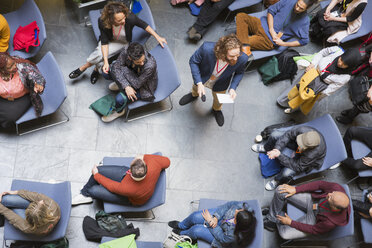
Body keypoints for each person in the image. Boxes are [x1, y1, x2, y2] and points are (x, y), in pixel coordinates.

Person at [68, 1, 166, 84]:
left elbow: (145, 25)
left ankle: (85, 67)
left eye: (124, 17)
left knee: (99, 54)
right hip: (108, 40)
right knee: (100, 54)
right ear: (111, 19)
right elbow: (104, 42)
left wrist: (158, 37)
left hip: (122, 42)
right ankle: (95, 69)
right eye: (119, 20)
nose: (124, 21)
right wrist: (106, 62)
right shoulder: (102, 21)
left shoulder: (129, 18)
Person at [178, 34, 248, 126]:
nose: (235, 58)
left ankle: (216, 109)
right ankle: (194, 95)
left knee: (219, 100)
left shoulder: (242, 58)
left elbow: (239, 73)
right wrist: (199, 83)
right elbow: (193, 61)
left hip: (221, 83)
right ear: (223, 52)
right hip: (203, 77)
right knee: (196, 89)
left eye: (237, 54)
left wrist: (232, 88)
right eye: (232, 56)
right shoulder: (206, 48)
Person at [277, 46, 362, 115]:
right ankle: (283, 101)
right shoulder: (336, 50)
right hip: (313, 73)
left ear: (350, 66)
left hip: (319, 86)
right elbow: (321, 53)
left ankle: (293, 109)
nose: (340, 63)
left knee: (304, 99)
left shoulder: (346, 76)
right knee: (296, 88)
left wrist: (318, 95)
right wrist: (313, 63)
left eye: (344, 64)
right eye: (341, 59)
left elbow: (332, 88)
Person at [262, 181, 350, 240]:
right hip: (313, 201)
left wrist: (290, 223)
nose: (329, 194)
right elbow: (319, 184)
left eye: (330, 197)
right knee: (280, 190)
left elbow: (313, 229)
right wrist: (296, 189)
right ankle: (273, 218)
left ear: (335, 207)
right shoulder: (336, 188)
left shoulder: (329, 223)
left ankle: (274, 213)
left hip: (315, 218)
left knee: (284, 234)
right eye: (332, 193)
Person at [71, 154, 170, 206]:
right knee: (100, 169)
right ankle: (85, 192)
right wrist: (145, 156)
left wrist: (96, 175)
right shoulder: (153, 163)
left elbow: (112, 186)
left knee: (93, 189)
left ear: (130, 172)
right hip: (127, 181)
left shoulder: (128, 188)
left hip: (130, 199)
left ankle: (86, 194)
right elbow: (167, 161)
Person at [252, 126, 326, 190]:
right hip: (297, 145)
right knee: (275, 134)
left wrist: (279, 155)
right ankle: (266, 148)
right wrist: (277, 149)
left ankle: (277, 181)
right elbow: (288, 135)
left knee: (286, 173)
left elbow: (298, 166)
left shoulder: (312, 154)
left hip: (305, 161)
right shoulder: (303, 130)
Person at [100, 42, 157, 122]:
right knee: (106, 72)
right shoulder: (127, 50)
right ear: (130, 58)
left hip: (143, 87)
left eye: (143, 60)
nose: (142, 63)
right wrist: (126, 86)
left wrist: (122, 69)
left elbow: (137, 84)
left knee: (120, 99)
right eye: (138, 62)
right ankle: (121, 85)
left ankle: (119, 112)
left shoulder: (150, 66)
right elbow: (116, 67)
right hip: (131, 73)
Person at [235, 0, 315, 53]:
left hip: (268, 40)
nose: (297, 8)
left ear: (307, 8)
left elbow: (304, 41)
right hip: (262, 24)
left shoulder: (304, 21)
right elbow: (271, 11)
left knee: (237, 42)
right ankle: (243, 46)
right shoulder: (289, 1)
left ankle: (241, 44)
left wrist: (283, 43)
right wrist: (271, 29)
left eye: (301, 8)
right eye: (297, 5)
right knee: (241, 16)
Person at [168, 201, 256, 247]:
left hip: (221, 238)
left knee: (196, 230)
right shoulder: (244, 208)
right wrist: (215, 217)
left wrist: (210, 221)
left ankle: (182, 234)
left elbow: (221, 237)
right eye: (239, 210)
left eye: (236, 215)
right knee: (195, 216)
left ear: (237, 223)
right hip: (222, 217)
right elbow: (229, 205)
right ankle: (181, 226)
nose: (236, 210)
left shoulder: (234, 236)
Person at [0, 52, 45, 128]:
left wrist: (38, 84)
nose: (14, 66)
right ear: (2, 70)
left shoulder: (23, 67)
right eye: (10, 67)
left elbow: (37, 77)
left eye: (13, 63)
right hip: (3, 97)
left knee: (9, 117)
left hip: (22, 97)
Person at [336, 44, 372, 124]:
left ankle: (350, 117)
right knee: (359, 90)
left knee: (364, 102)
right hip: (368, 70)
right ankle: (353, 110)